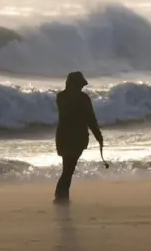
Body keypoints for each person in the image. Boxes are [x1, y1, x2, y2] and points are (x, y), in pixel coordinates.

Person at [53, 71, 103, 203]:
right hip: (76, 137)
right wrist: (98, 136)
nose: (82, 87)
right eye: (80, 85)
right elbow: (90, 119)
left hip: (63, 136)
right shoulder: (83, 99)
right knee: (69, 169)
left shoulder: (61, 97)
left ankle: (62, 197)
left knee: (67, 168)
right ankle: (61, 198)